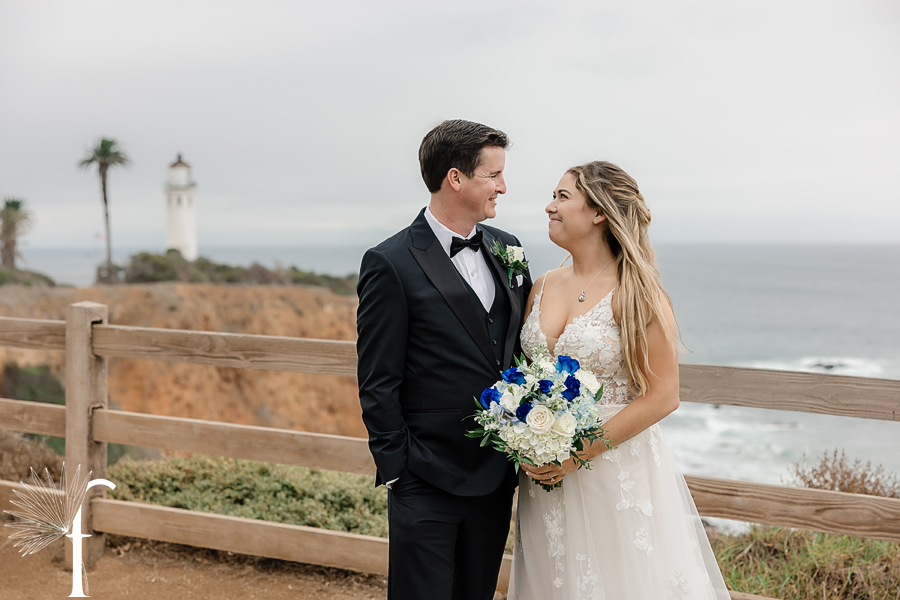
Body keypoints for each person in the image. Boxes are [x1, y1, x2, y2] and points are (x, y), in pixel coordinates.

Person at [510, 161, 731, 599]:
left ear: (598, 213)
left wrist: (577, 453)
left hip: (612, 469)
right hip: (545, 474)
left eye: (562, 197)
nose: (549, 206)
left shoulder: (638, 292)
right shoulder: (541, 285)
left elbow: (663, 395)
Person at [357, 119, 533, 600]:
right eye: (493, 174)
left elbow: (517, 349)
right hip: (426, 475)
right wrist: (398, 469)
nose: (503, 186)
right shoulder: (390, 261)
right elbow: (378, 378)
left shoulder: (508, 249)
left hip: (495, 472)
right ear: (456, 179)